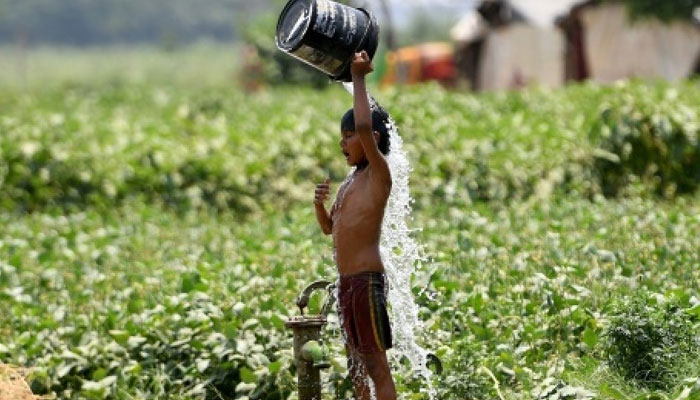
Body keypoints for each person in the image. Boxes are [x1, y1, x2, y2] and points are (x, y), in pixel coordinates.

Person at [313, 51, 397, 400]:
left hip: (366, 282)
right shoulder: (349, 183)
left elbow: (364, 125)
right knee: (356, 368)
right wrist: (318, 206)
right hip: (347, 285)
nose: (343, 143)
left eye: (349, 136)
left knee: (376, 366)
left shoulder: (378, 175)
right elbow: (330, 229)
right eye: (343, 136)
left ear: (372, 138)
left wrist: (358, 77)